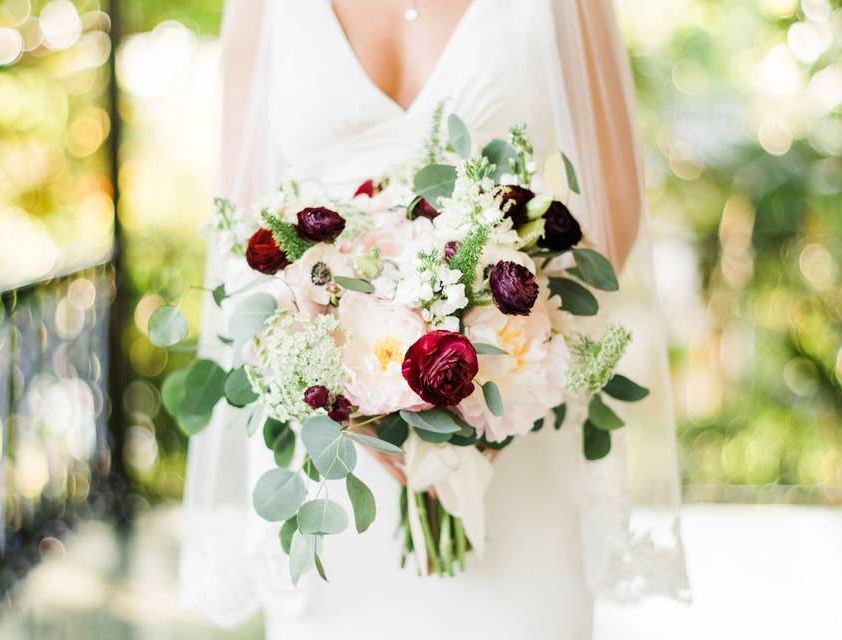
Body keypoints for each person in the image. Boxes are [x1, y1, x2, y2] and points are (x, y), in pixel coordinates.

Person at [181, 1, 690, 637]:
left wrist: (487, 401)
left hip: (517, 408)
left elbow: (615, 204)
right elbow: (243, 218)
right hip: (333, 450)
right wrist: (356, 400)